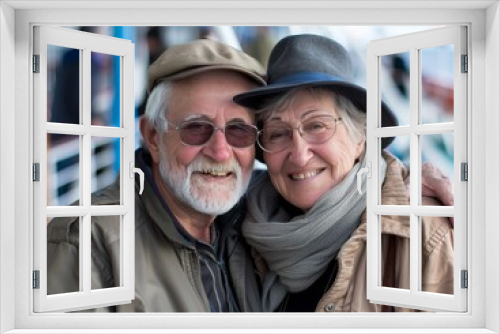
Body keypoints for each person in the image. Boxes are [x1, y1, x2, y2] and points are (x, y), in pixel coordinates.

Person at [233, 34, 454, 312]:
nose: (300, 155)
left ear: (360, 138)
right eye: (278, 133)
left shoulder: (422, 232)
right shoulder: (238, 229)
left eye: (317, 126)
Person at [47, 39, 266, 312]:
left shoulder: (254, 226)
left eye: (239, 131)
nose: (220, 153)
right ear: (152, 137)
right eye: (196, 128)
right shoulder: (88, 243)